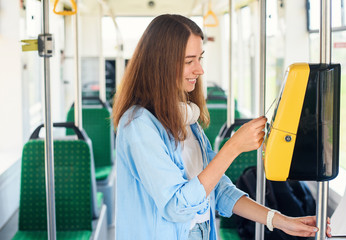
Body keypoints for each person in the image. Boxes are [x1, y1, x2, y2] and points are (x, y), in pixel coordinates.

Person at [112, 14, 331, 240]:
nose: (200, 70)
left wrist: (280, 220)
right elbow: (176, 206)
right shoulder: (139, 126)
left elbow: (218, 189)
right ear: (161, 65)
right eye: (189, 61)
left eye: (200, 58)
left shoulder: (187, 121)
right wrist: (233, 147)